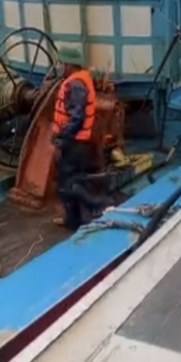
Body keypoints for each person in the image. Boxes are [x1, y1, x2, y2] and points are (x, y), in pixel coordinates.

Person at [51, 46, 101, 231]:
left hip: (75, 143)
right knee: (74, 181)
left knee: (69, 183)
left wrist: (61, 139)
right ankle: (75, 217)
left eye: (63, 64)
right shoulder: (79, 81)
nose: (61, 68)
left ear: (69, 65)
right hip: (77, 142)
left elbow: (76, 117)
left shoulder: (76, 84)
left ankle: (79, 220)